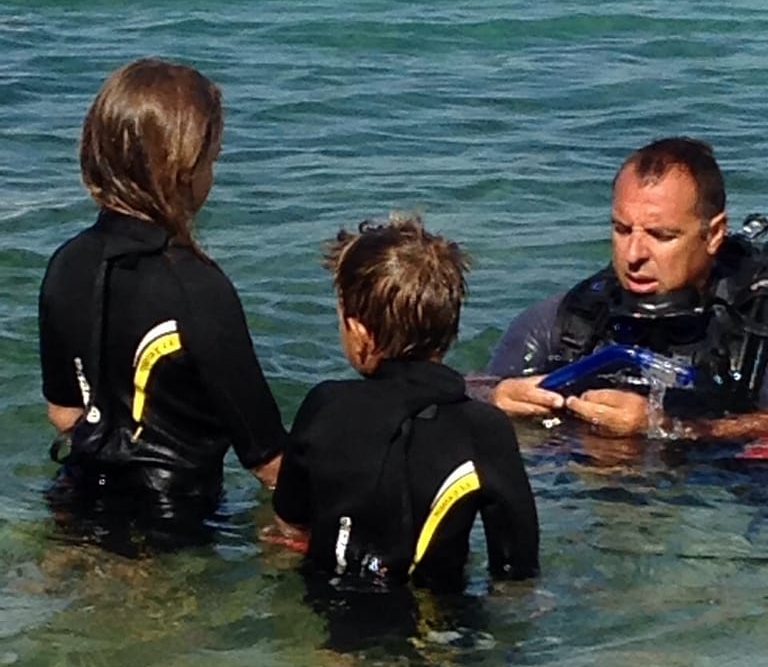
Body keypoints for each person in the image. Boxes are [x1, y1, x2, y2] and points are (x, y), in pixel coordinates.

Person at [39, 58, 286, 543]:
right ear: (182, 170)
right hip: (173, 521)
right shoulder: (198, 288)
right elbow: (267, 460)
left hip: (75, 497)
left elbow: (64, 412)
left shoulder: (66, 263)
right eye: (212, 159)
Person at [271, 215, 540, 594]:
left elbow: (292, 522)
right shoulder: (485, 428)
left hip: (335, 614)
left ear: (360, 333)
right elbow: (518, 564)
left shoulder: (325, 407)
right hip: (439, 622)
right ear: (452, 330)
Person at [486, 136, 768, 440]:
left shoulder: (756, 328)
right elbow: (469, 391)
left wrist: (670, 429)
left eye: (660, 236)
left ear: (713, 234)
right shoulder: (567, 323)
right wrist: (495, 399)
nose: (633, 255)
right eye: (621, 230)